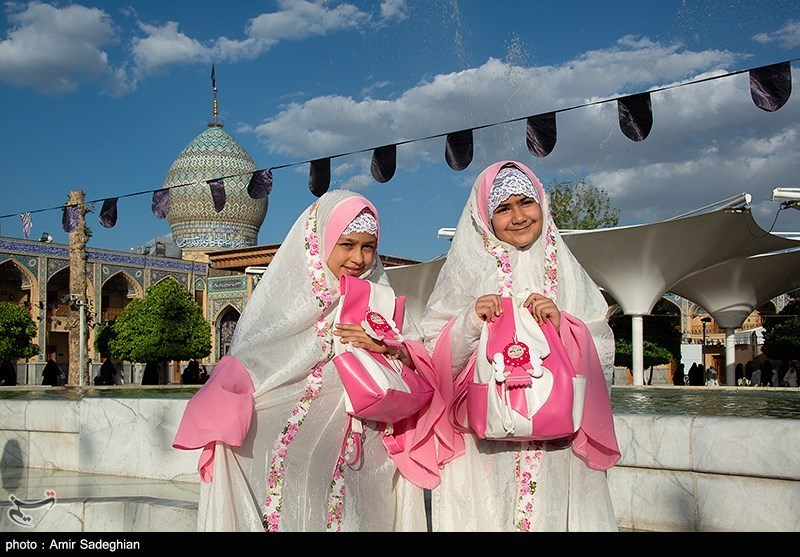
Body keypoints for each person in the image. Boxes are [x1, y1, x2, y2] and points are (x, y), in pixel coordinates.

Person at [173, 190, 443, 532]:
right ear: (319, 242)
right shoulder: (288, 305)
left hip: (368, 461)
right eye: (346, 244)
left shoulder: (382, 301)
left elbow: (423, 367)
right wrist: (226, 391)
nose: (358, 258)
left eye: (367, 246)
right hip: (302, 458)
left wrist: (390, 349)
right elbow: (258, 357)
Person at [420, 160, 621, 532]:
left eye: (525, 202)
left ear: (542, 203)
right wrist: (469, 320)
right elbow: (433, 353)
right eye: (502, 208)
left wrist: (564, 326)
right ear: (483, 216)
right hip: (485, 446)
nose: (517, 217)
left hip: (556, 439)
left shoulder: (567, 270)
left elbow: (600, 343)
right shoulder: (466, 269)